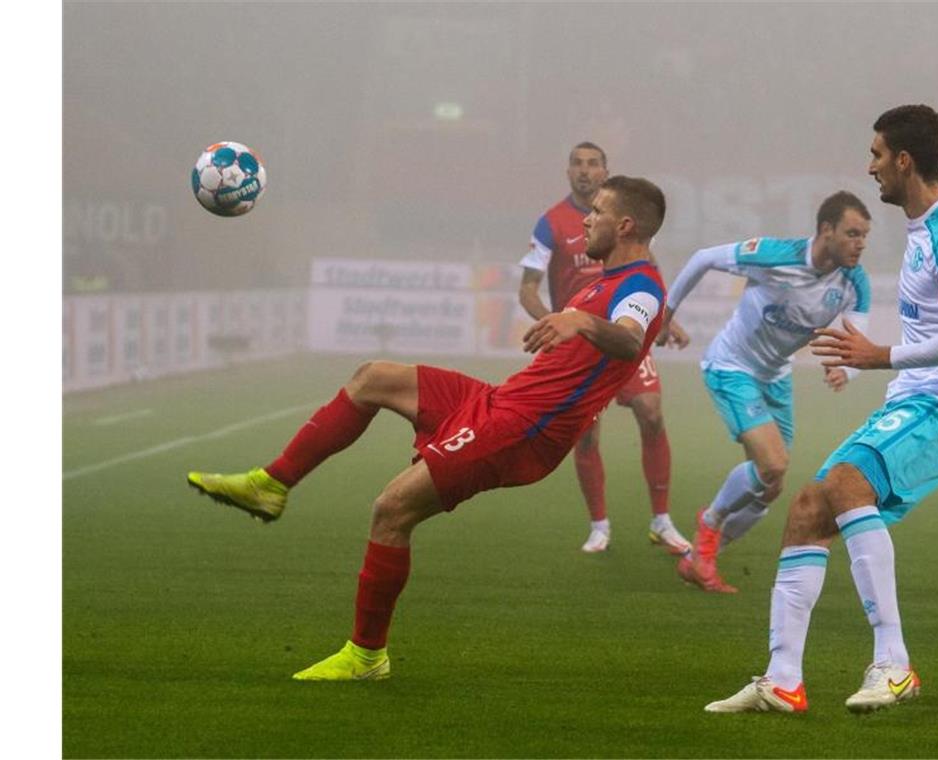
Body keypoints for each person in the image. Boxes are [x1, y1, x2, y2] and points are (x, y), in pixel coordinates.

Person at [188, 176, 672, 680]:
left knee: (391, 510)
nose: (586, 220)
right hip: (498, 400)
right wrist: (576, 318)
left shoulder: (640, 287)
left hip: (524, 429)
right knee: (374, 377)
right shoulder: (601, 280)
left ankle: (366, 657)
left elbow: (628, 340)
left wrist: (583, 323)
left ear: (625, 224)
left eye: (596, 211)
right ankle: (271, 484)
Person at [704, 104, 938, 715]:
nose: (869, 165)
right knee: (806, 507)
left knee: (848, 484)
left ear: (904, 161)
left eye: (876, 154)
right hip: (917, 401)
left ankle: (895, 664)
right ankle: (782, 680)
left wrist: (881, 356)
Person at [658, 191, 873, 593]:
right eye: (852, 233)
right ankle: (708, 526)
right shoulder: (775, 255)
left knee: (768, 487)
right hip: (732, 367)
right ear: (826, 230)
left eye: (864, 235)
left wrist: (845, 371)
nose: (860, 244)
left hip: (776, 376)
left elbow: (859, 344)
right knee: (773, 464)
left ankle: (698, 559)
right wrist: (665, 316)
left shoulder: (854, 282)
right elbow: (704, 257)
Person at [519, 142, 691, 554]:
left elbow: (645, 272)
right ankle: (599, 526)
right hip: (581, 341)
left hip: (621, 331)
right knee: (586, 435)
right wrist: (555, 324)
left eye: (593, 164)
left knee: (651, 412)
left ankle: (662, 521)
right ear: (567, 172)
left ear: (605, 170)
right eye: (577, 163)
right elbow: (527, 289)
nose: (585, 171)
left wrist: (666, 321)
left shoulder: (624, 220)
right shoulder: (551, 223)